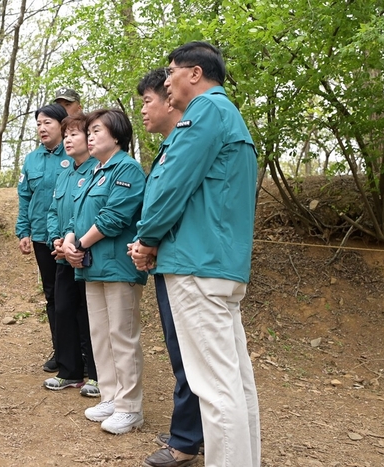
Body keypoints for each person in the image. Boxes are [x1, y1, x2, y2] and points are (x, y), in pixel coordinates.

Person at [133, 42, 261, 467]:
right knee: (236, 383)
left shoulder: (204, 111)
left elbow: (171, 185)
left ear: (194, 74)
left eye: (170, 72)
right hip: (222, 265)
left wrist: (148, 238)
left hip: (196, 265)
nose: (166, 80)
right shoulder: (231, 116)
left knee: (215, 388)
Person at [129, 69, 203, 467]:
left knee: (189, 353)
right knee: (182, 352)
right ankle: (192, 429)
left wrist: (147, 242)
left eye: (147, 100)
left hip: (187, 264)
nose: (143, 109)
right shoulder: (171, 145)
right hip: (170, 259)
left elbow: (170, 203)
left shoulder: (186, 144)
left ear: (169, 100)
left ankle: (186, 441)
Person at [63, 109, 147, 435]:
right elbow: (75, 216)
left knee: (122, 336)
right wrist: (70, 241)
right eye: (90, 130)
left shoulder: (127, 169)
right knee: (100, 336)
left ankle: (131, 407)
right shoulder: (94, 172)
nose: (90, 135)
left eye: (96, 130)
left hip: (118, 267)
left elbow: (114, 217)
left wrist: (79, 245)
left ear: (116, 135)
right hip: (92, 267)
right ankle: (111, 397)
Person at [44, 113, 99, 397]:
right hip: (64, 253)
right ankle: (70, 371)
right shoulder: (64, 173)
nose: (67, 139)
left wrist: (76, 244)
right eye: (65, 135)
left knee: (89, 314)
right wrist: (57, 239)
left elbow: (90, 214)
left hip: (88, 255)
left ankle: (97, 374)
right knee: (63, 310)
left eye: (74, 134)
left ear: (90, 139)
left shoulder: (97, 170)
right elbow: (54, 211)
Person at [16, 103, 72, 373]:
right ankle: (61, 350)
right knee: (52, 295)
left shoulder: (75, 154)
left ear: (62, 125)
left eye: (47, 122)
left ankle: (83, 352)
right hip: (41, 237)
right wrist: (23, 231)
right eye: (38, 123)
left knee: (73, 297)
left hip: (70, 239)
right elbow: (25, 197)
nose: (42, 128)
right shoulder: (32, 160)